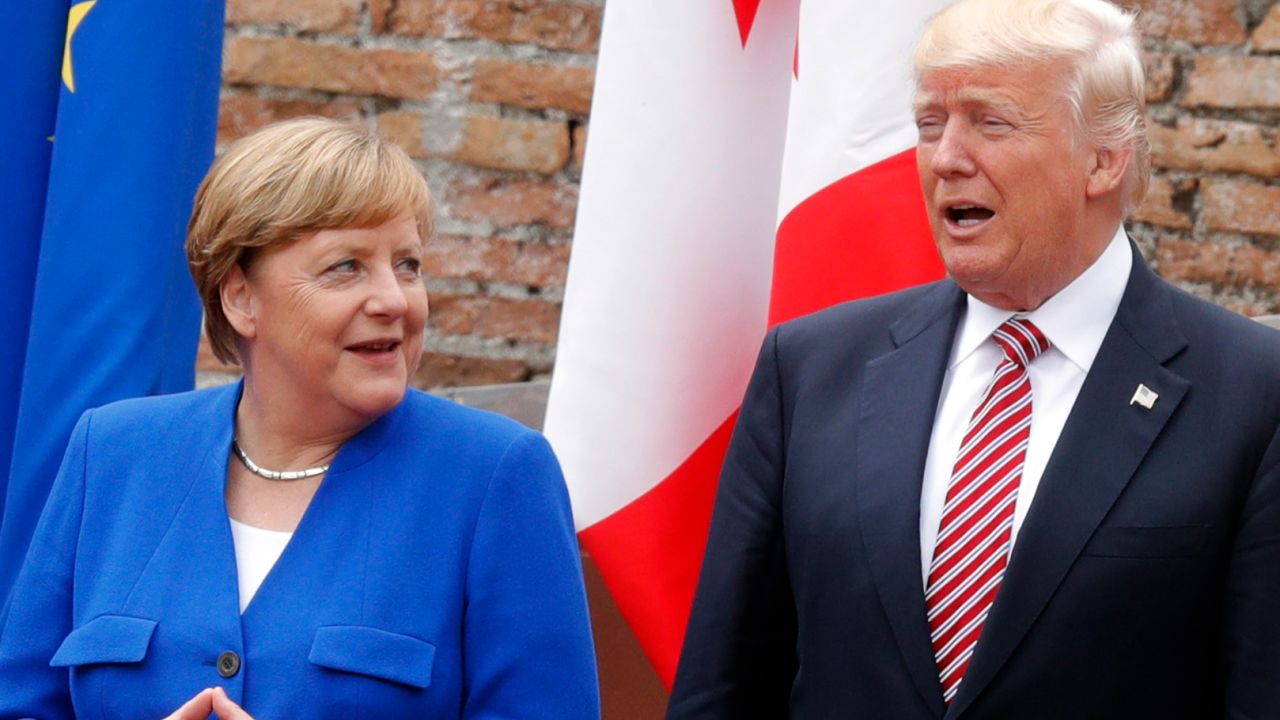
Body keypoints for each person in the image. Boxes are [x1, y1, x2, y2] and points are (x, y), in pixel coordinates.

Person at [667, 0, 1280, 717]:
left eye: (991, 122)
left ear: (1104, 158)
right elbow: (725, 685)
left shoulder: (1252, 394)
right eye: (931, 124)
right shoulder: (807, 370)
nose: (948, 158)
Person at [0, 118, 600, 719]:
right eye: (346, 266)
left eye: (408, 265)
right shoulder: (113, 452)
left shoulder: (494, 476)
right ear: (240, 298)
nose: (394, 299)